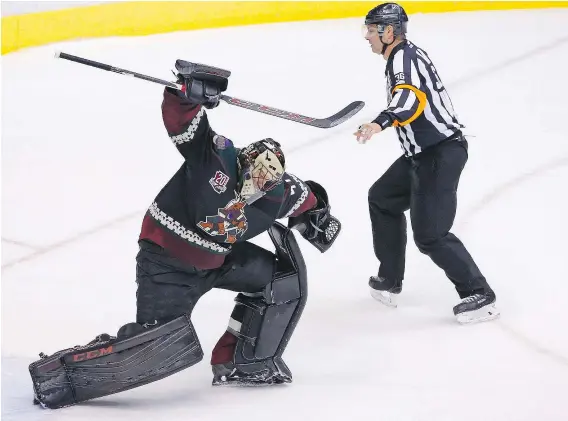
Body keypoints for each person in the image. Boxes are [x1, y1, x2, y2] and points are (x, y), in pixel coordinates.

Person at [29, 60, 341, 409]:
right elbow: (182, 119)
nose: (256, 189)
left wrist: (318, 217)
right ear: (242, 163)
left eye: (265, 184)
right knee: (155, 348)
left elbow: (306, 199)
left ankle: (244, 362)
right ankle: (64, 370)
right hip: (167, 262)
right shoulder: (214, 157)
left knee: (282, 281)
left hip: (220, 260)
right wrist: (189, 92)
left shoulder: (279, 191)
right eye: (253, 179)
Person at [354, 3, 499, 324]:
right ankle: (390, 278)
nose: (366, 35)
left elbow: (409, 98)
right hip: (422, 155)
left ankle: (480, 295)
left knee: (431, 235)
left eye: (371, 28)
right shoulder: (400, 55)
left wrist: (380, 122)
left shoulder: (403, 57)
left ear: (388, 31)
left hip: (439, 154)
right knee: (383, 198)